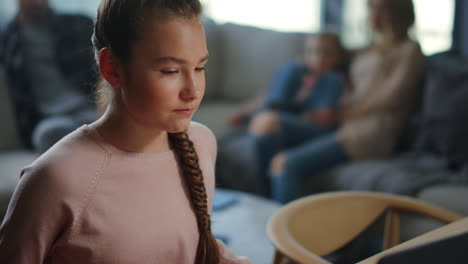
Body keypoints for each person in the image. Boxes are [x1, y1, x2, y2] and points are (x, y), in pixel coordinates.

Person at [0, 0, 250, 263]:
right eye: (170, 71)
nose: (193, 90)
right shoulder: (55, 180)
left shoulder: (201, 144)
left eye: (200, 68)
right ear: (112, 67)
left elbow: (199, 248)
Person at [265, 0, 426, 203]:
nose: (373, 15)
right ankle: (266, 217)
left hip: (369, 132)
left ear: (398, 13)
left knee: (285, 163)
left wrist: (344, 113)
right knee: (269, 128)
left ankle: (284, 231)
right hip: (343, 124)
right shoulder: (368, 50)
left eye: (381, 9)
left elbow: (392, 97)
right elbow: (328, 65)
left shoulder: (409, 50)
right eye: (371, 8)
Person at [230, 32, 348, 197]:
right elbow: (265, 95)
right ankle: (268, 200)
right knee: (290, 70)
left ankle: (267, 199)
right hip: (284, 117)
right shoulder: (301, 75)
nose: (319, 58)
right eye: (313, 51)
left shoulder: (333, 79)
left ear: (338, 57)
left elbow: (324, 119)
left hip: (318, 130)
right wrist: (244, 111)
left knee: (268, 121)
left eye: (326, 53)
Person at [0, 0, 97, 153]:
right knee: (47, 134)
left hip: (89, 109)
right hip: (51, 120)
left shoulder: (77, 24)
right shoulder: (8, 39)